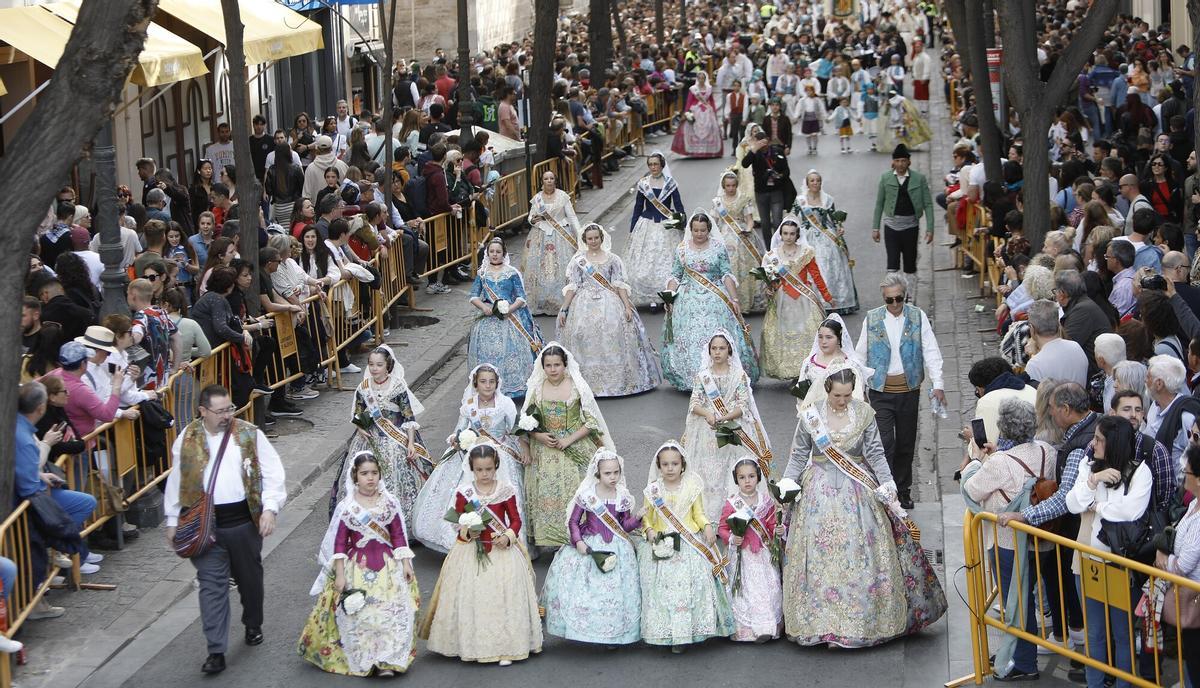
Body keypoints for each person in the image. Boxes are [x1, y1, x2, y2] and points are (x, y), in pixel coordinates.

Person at [782, 367, 947, 647]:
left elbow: (875, 452)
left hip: (857, 491)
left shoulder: (864, 414)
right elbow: (799, 453)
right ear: (827, 391)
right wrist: (788, 481)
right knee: (819, 556)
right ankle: (822, 623)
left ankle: (859, 622)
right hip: (818, 492)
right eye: (837, 395)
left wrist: (887, 483)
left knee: (859, 553)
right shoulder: (811, 415)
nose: (842, 401)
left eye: (847, 395)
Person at [164, 384, 286, 675]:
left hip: (244, 522)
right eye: (220, 411)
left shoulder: (249, 433)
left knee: (250, 580)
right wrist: (172, 520)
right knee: (211, 587)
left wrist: (269, 508)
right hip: (207, 526)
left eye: (229, 409)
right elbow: (176, 480)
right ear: (202, 411)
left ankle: (253, 621)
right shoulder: (187, 438)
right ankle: (216, 650)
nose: (226, 415)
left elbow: (273, 472)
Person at [418, 444, 543, 666]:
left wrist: (508, 536)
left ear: (496, 467)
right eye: (479, 470)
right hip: (471, 549)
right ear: (472, 469)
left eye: (488, 469)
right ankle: (471, 643)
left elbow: (515, 520)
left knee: (503, 596)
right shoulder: (464, 493)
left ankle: (507, 647)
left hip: (501, 549)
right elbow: (457, 521)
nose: (484, 474)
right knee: (472, 595)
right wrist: (467, 530)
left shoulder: (505, 490)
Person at [960, 399, 1058, 682]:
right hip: (1041, 540)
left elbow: (972, 488)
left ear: (1003, 427)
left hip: (1008, 543)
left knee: (1016, 603)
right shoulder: (1046, 451)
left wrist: (978, 460)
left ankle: (1024, 661)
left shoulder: (1000, 463)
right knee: (1027, 599)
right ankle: (1020, 652)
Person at [299, 451, 418, 677]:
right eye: (364, 474)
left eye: (374, 473)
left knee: (389, 612)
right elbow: (340, 544)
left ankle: (387, 659)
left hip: (387, 567)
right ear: (355, 476)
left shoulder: (389, 502)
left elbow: (398, 536)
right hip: (358, 568)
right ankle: (367, 656)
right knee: (363, 615)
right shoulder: (347, 507)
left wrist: (405, 564)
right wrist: (341, 575)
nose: (370, 478)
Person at [1067, 416, 1151, 688]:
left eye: (1100, 439)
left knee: (1123, 633)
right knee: (1094, 632)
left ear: (1113, 443)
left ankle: (1123, 684)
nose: (1093, 443)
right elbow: (1073, 503)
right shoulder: (1088, 465)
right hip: (1089, 561)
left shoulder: (1140, 472)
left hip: (1119, 564)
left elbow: (1129, 512)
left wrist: (1098, 507)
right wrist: (1093, 481)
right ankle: (1095, 683)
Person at [411, 364, 528, 553]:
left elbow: (515, 429)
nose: (487, 386)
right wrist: (458, 440)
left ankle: (503, 533)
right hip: (474, 456)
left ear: (497, 383)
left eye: (491, 382)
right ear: (476, 383)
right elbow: (460, 429)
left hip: (500, 454)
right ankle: (468, 532)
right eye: (483, 382)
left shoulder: (505, 404)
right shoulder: (469, 406)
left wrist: (523, 448)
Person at [856, 273, 945, 510]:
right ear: (883, 299)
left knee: (906, 443)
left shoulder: (917, 316)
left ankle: (903, 490)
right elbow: (859, 355)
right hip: (880, 391)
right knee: (885, 442)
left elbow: (931, 350)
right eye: (889, 300)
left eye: (899, 299)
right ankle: (887, 488)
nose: (895, 304)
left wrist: (938, 384)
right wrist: (858, 389)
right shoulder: (872, 319)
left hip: (909, 391)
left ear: (906, 296)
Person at [638, 441, 735, 652]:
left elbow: (698, 513)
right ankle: (669, 633)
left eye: (674, 463)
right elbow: (647, 517)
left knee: (693, 583)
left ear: (682, 464)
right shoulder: (652, 490)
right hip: (663, 541)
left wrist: (707, 527)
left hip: (689, 540)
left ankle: (689, 631)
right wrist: (649, 531)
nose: (670, 468)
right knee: (663, 589)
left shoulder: (693, 486)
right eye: (665, 464)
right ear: (659, 466)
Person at [541, 447, 642, 646]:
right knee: (588, 589)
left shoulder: (622, 496)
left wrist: (638, 518)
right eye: (607, 473)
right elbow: (573, 522)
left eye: (616, 472)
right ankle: (588, 630)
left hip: (617, 547)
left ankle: (614, 633)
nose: (613, 477)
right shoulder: (587, 495)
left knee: (616, 592)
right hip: (591, 544)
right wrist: (578, 541)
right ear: (597, 473)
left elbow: (624, 526)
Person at [520, 343, 613, 549]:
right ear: (542, 367)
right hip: (544, 449)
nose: (553, 370)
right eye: (548, 365)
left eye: (557, 365)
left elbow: (591, 422)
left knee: (573, 490)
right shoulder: (536, 387)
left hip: (574, 445)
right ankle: (549, 539)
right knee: (545, 493)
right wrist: (539, 436)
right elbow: (524, 423)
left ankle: (578, 536)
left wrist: (568, 440)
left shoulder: (577, 387)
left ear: (565, 365)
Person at [330, 346, 433, 532]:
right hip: (369, 438)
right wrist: (360, 427)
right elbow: (358, 414)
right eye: (371, 365)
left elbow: (409, 418)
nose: (374, 368)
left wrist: (410, 443)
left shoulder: (397, 387)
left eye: (379, 365)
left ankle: (398, 522)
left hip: (396, 436)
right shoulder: (364, 388)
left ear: (388, 366)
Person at [556, 223, 661, 397]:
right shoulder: (578, 261)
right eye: (590, 238)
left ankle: (619, 381)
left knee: (613, 333)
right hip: (583, 304)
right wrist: (564, 309)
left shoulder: (613, 259)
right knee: (582, 334)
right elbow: (573, 286)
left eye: (596, 237)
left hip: (610, 303)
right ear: (585, 240)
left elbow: (620, 285)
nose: (593, 241)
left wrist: (627, 306)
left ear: (601, 238)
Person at [661, 211, 760, 390]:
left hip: (716, 300)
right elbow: (676, 275)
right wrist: (669, 293)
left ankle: (722, 376)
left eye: (703, 230)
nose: (699, 234)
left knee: (717, 335)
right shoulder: (682, 249)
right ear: (690, 230)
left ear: (709, 230)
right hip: (687, 301)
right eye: (696, 230)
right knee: (690, 338)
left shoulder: (718, 248)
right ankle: (694, 378)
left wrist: (734, 299)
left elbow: (726, 274)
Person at [16, 379, 100, 575]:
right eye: (64, 391)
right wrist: (46, 445)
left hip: (41, 487)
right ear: (41, 406)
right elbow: (30, 469)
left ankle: (63, 549)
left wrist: (41, 475)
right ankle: (56, 547)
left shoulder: (28, 426)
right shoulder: (22, 433)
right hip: (33, 497)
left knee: (84, 503)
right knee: (69, 512)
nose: (68, 395)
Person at [757, 217, 833, 380]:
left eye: (792, 233)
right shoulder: (773, 256)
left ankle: (809, 369)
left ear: (797, 234)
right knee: (785, 333)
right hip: (783, 299)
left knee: (807, 331)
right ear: (780, 235)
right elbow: (770, 279)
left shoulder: (806, 252)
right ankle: (790, 370)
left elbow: (816, 275)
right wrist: (769, 290)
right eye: (785, 233)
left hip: (804, 297)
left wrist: (827, 296)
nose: (788, 236)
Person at [467, 237, 543, 400]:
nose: (495, 255)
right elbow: (473, 296)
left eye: (498, 252)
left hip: (510, 319)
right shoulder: (482, 273)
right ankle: (487, 387)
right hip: (488, 320)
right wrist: (484, 307)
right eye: (491, 252)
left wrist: (510, 309)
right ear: (487, 254)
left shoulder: (511, 273)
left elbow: (521, 297)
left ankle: (513, 389)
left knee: (511, 353)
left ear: (504, 254)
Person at [717, 454, 782, 642]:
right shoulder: (732, 503)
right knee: (746, 590)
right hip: (742, 556)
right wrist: (731, 538)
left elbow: (770, 525)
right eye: (742, 477)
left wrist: (778, 529)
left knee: (766, 589)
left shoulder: (766, 501)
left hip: (762, 554)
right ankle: (747, 629)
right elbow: (722, 527)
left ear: (758, 477)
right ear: (736, 479)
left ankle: (767, 627)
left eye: (751, 476)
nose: (747, 481)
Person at [1154, 444, 1200, 687]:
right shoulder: (1193, 504)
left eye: (1188, 473)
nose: (1183, 477)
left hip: (1195, 597)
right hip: (1188, 595)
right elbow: (1174, 536)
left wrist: (1165, 559)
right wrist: (1165, 549)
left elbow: (1184, 564)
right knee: (1191, 656)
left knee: (1195, 657)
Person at [871, 145, 935, 303]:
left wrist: (930, 228)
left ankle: (909, 296)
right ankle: (891, 294)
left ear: (909, 162)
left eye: (903, 161)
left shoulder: (918, 178)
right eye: (897, 161)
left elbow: (928, 204)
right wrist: (875, 227)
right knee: (892, 263)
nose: (900, 164)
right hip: (891, 226)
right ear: (893, 162)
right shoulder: (886, 178)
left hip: (911, 226)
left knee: (910, 264)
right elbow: (879, 204)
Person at [792, 169, 859, 314]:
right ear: (807, 183)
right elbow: (793, 218)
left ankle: (835, 300)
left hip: (826, 235)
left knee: (830, 264)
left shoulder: (828, 199)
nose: (815, 183)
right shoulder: (800, 200)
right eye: (812, 180)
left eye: (818, 180)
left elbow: (834, 219)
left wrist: (839, 228)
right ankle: (812, 300)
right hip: (807, 236)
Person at [626, 153, 685, 306]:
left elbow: (678, 206)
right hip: (647, 225)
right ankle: (651, 298)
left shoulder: (670, 183)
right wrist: (632, 230)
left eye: (656, 164)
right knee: (645, 261)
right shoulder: (643, 184)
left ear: (662, 165)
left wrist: (681, 222)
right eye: (650, 164)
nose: (653, 167)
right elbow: (638, 208)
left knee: (666, 262)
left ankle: (665, 294)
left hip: (666, 227)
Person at [522, 170, 581, 315]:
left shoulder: (562, 197)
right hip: (540, 235)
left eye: (551, 178)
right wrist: (533, 219)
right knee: (540, 269)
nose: (549, 181)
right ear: (542, 182)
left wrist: (580, 235)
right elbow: (530, 218)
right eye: (546, 178)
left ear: (555, 180)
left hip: (560, 235)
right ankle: (541, 301)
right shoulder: (537, 199)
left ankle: (562, 300)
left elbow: (572, 217)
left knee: (560, 268)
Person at [712, 170, 768, 314]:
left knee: (744, 268)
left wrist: (748, 230)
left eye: (733, 185)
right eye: (728, 186)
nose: (730, 188)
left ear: (737, 185)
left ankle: (745, 302)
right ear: (723, 186)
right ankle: (728, 301)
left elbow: (749, 220)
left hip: (741, 236)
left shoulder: (744, 199)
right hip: (724, 235)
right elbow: (714, 221)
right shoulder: (718, 201)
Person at [741, 129, 794, 246]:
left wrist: (778, 176)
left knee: (777, 221)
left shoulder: (777, 151)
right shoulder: (755, 154)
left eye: (764, 143)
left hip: (776, 191)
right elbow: (744, 164)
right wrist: (753, 150)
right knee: (765, 223)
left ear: (768, 141)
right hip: (761, 192)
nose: (763, 146)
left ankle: (780, 246)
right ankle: (769, 248)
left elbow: (786, 171)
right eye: (759, 143)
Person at [1025, 299, 1090, 388]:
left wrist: (1033, 355)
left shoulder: (1035, 364)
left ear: (1031, 328)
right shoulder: (1076, 347)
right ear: (1058, 323)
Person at [671, 70, 724, 158]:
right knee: (691, 129)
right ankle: (694, 150)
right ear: (697, 79)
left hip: (707, 111)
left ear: (705, 79)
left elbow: (711, 101)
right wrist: (686, 112)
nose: (701, 80)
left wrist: (713, 111)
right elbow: (689, 101)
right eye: (699, 78)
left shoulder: (709, 88)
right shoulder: (693, 89)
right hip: (695, 110)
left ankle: (708, 150)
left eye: (703, 78)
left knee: (710, 128)